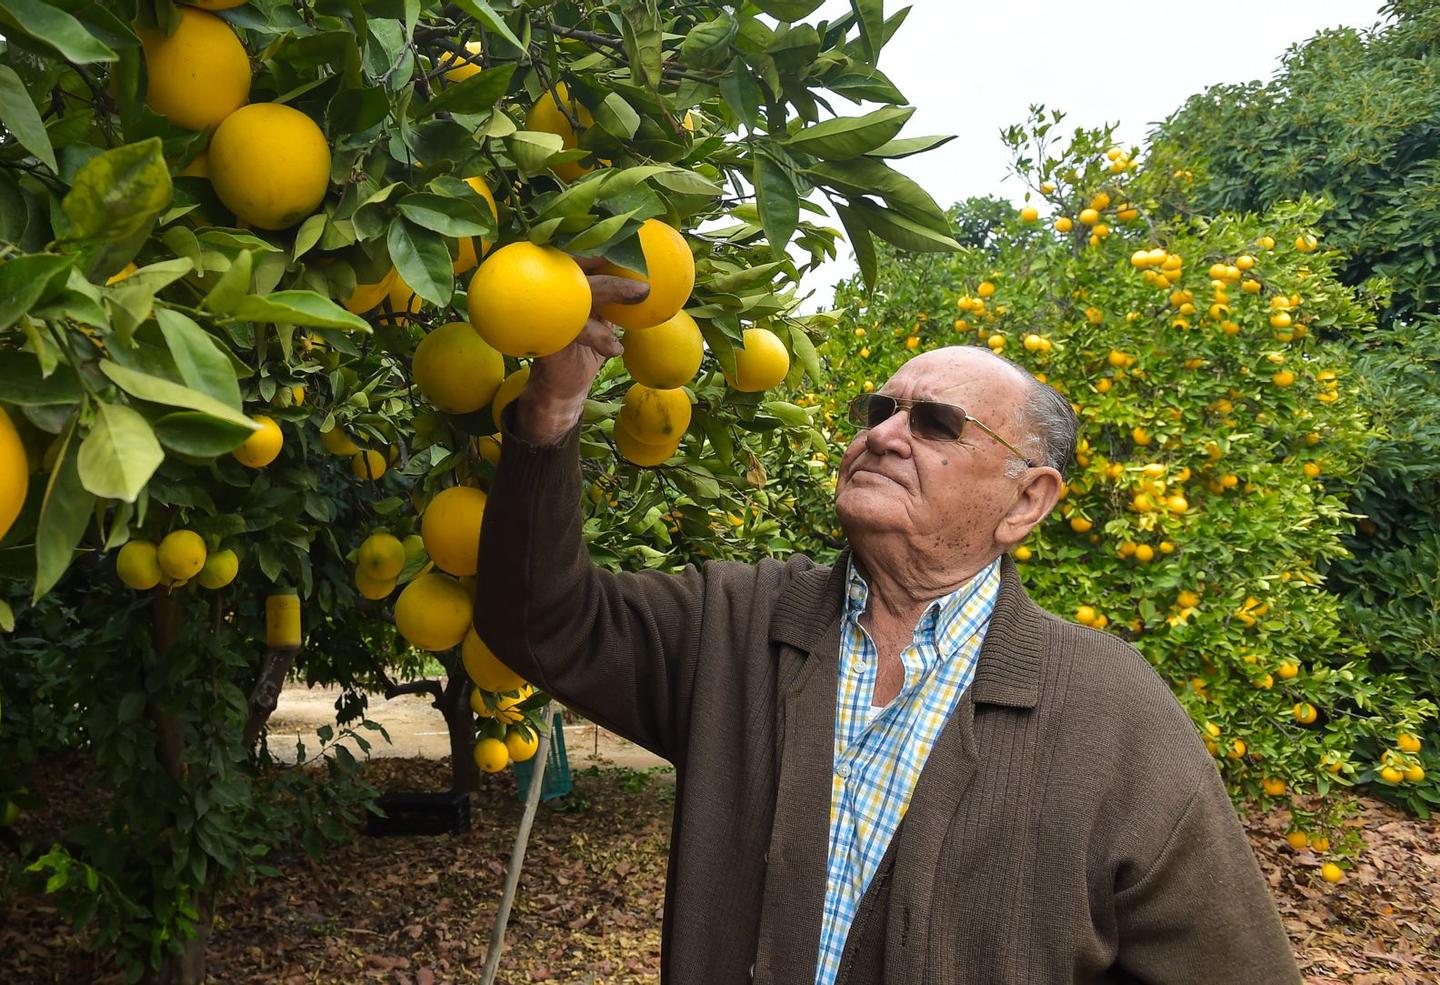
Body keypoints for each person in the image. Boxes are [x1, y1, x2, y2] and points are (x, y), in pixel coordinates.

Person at [472, 267, 1300, 984]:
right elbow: (539, 621)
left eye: (936, 422)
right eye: (881, 409)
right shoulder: (737, 621)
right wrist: (553, 406)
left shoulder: (1114, 711)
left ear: (1027, 499)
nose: (884, 434)